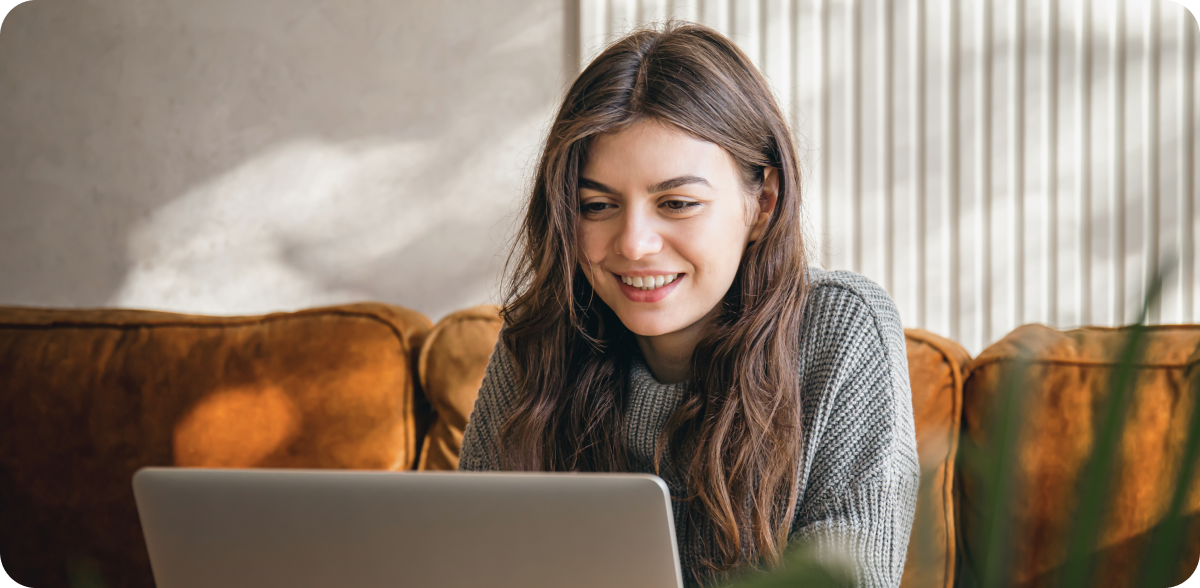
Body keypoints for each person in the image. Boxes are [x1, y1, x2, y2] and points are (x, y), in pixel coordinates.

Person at [458, 21, 919, 588]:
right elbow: (471, 560)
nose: (633, 243)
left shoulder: (841, 331)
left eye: (676, 202)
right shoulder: (541, 338)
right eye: (598, 205)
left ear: (763, 203)